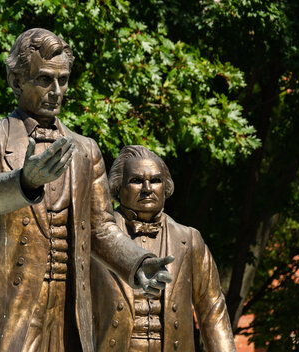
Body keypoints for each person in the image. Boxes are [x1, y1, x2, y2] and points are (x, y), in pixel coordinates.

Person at [0, 29, 174, 352]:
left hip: (69, 310)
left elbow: (102, 229)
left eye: (63, 80)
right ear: (17, 82)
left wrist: (136, 261)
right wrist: (24, 181)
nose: (57, 91)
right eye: (45, 80)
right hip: (13, 313)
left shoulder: (85, 150)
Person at [91, 145, 236, 352]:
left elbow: (213, 310)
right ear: (117, 188)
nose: (147, 188)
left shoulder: (189, 240)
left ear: (165, 187)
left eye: (156, 180)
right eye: (136, 181)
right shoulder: (96, 238)